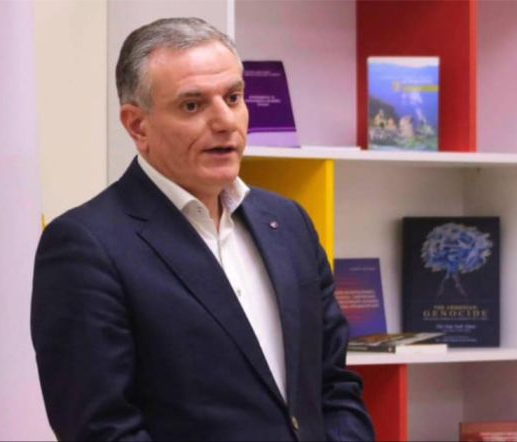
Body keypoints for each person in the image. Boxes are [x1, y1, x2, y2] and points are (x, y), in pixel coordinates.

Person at [31, 17, 374, 441]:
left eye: (233, 97)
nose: (225, 121)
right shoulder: (86, 246)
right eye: (192, 105)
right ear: (137, 125)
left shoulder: (289, 223)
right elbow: (101, 429)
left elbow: (334, 385)